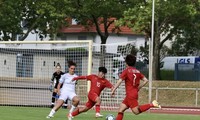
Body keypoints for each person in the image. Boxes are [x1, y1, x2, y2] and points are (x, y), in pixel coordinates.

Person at [111, 54, 161, 120]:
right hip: (133, 93)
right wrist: (139, 87)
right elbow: (146, 80)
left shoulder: (126, 71)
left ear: (126, 63)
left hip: (130, 95)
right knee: (121, 109)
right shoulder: (137, 72)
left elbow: (120, 81)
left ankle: (152, 104)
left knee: (136, 111)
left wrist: (113, 90)